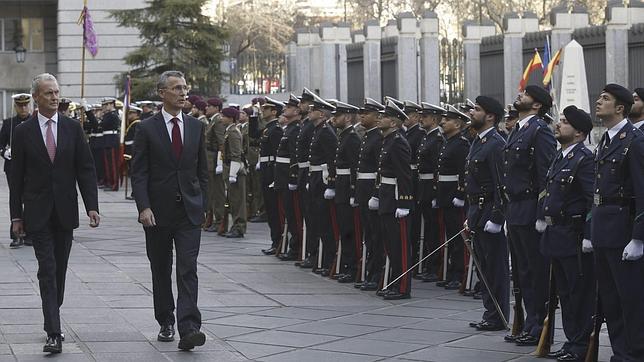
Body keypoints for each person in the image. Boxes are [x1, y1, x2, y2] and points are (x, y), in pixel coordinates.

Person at [9, 73, 100, 354]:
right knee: (46, 270)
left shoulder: (73, 128)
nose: (55, 97)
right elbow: (16, 178)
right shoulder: (23, 132)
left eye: (57, 92)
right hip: (37, 212)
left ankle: (53, 310)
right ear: (36, 96)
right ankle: (53, 331)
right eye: (49, 93)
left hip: (65, 211)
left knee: (58, 271)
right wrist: (16, 216)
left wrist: (92, 206)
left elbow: (85, 169)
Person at [131, 70, 208, 351]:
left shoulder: (196, 127)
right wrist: (144, 207)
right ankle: (166, 319)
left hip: (189, 211)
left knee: (188, 268)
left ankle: (189, 327)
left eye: (185, 88)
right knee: (161, 267)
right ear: (162, 93)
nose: (183, 93)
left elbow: (202, 172)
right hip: (158, 213)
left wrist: (204, 205)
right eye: (176, 88)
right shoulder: (146, 128)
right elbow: (138, 173)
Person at [536, 105, 595, 361]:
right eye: (560, 121)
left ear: (580, 133)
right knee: (565, 294)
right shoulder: (560, 157)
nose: (558, 125)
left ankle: (580, 346)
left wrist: (589, 235)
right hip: (555, 234)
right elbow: (546, 191)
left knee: (578, 295)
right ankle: (571, 342)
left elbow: (592, 200)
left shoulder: (584, 159)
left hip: (573, 236)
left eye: (565, 122)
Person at [591, 84, 644, 361]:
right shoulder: (606, 139)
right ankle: (620, 353)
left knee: (631, 300)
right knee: (610, 301)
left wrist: (639, 237)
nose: (598, 102)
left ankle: (635, 354)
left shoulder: (635, 140)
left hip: (623, 231)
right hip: (603, 230)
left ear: (620, 108)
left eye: (605, 99)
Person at [503, 85, 556, 346]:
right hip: (515, 208)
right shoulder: (518, 130)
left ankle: (538, 325)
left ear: (536, 105)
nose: (519, 96)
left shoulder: (540, 131)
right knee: (522, 271)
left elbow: (546, 174)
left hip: (530, 209)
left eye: (525, 94)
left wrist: (541, 213)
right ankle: (527, 321)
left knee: (535, 271)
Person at [464, 96, 510, 331]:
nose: (472, 112)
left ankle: (498, 315)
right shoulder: (478, 142)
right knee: (483, 267)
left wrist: (497, 217)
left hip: (489, 212)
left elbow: (501, 184)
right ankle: (489, 312)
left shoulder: (496, 144)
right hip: (477, 211)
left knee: (495, 267)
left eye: (478, 109)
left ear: (490, 116)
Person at [370, 99, 413, 300]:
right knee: (390, 245)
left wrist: (404, 203)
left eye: (385, 117)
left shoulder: (398, 143)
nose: (380, 119)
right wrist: (377, 195)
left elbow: (404, 175)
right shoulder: (387, 140)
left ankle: (403, 287)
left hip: (396, 199)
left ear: (394, 123)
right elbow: (382, 173)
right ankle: (393, 282)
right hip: (387, 197)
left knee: (400, 246)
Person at [435, 105, 470, 291]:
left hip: (454, 195)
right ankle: (452, 272)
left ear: (457, 124)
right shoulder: (448, 142)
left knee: (458, 238)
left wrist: (460, 194)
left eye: (447, 120)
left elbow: (463, 172)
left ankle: (460, 273)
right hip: (445, 194)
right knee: (450, 236)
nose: (442, 122)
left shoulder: (461, 144)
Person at [353, 98, 385, 290]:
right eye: (361, 112)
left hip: (371, 191)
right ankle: (370, 273)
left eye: (367, 113)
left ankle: (376, 275)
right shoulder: (368, 136)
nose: (362, 115)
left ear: (377, 116)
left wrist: (376, 194)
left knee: (375, 235)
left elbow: (379, 170)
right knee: (369, 234)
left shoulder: (378, 138)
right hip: (363, 190)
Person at [329, 101, 361, 283]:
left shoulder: (352, 138)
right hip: (341, 186)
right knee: (344, 229)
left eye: (338, 116)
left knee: (350, 230)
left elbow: (355, 167)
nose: (334, 119)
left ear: (348, 117)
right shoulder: (343, 136)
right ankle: (347, 265)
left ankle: (353, 267)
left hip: (347, 187)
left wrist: (352, 192)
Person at [307, 94, 338, 274]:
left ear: (321, 114)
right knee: (316, 220)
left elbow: (331, 160)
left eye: (313, 110)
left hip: (322, 179)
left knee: (325, 223)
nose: (309, 112)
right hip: (315, 177)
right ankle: (322, 259)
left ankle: (329, 260)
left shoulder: (326, 132)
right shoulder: (318, 130)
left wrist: (330, 184)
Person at [1, 93, 33, 248]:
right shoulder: (8, 123)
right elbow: (0, 144)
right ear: (15, 106)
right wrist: (4, 152)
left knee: (30, 198)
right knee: (16, 198)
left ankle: (29, 232)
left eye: (26, 105)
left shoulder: (35, 121)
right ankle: (15, 235)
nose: (23, 108)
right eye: (20, 105)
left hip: (31, 167)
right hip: (12, 166)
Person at [253, 97, 284, 255]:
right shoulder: (268, 128)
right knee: (270, 209)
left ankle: (278, 241)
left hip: (271, 171)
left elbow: (278, 155)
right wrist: (253, 115)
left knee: (274, 209)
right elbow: (253, 137)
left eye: (265, 109)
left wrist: (275, 176)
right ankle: (275, 240)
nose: (262, 111)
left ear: (274, 112)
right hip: (266, 169)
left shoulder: (276, 129)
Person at [275, 95, 302, 260]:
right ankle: (292, 246)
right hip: (282, 177)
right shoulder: (290, 128)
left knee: (293, 215)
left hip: (288, 178)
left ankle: (295, 248)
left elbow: (294, 157)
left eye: (289, 107)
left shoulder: (295, 129)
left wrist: (292, 178)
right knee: (287, 214)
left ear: (297, 111)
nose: (285, 109)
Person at [220, 107, 247, 238]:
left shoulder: (233, 132)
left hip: (235, 170)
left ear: (230, 118)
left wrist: (233, 173)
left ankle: (239, 227)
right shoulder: (229, 131)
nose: (221, 118)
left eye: (223, 116)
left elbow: (236, 154)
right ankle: (235, 225)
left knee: (238, 201)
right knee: (233, 200)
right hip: (229, 168)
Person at [205, 97, 226, 233]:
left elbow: (221, 143)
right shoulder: (213, 120)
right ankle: (213, 219)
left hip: (214, 159)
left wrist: (220, 162)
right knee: (211, 191)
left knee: (217, 192)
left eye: (210, 106)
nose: (207, 108)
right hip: (209, 159)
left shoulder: (218, 121)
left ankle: (219, 220)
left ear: (217, 108)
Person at [100, 97, 121, 191]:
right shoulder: (108, 114)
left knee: (113, 164)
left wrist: (103, 116)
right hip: (107, 139)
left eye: (105, 105)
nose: (104, 107)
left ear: (111, 105)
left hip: (112, 139)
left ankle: (114, 184)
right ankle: (109, 182)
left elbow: (104, 124)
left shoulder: (113, 115)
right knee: (107, 164)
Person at [123, 105, 142, 200]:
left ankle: (136, 193)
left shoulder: (137, 124)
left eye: (131, 113)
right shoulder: (132, 123)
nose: (129, 115)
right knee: (132, 173)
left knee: (135, 174)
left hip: (133, 152)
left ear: (137, 114)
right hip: (129, 151)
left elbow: (135, 140)